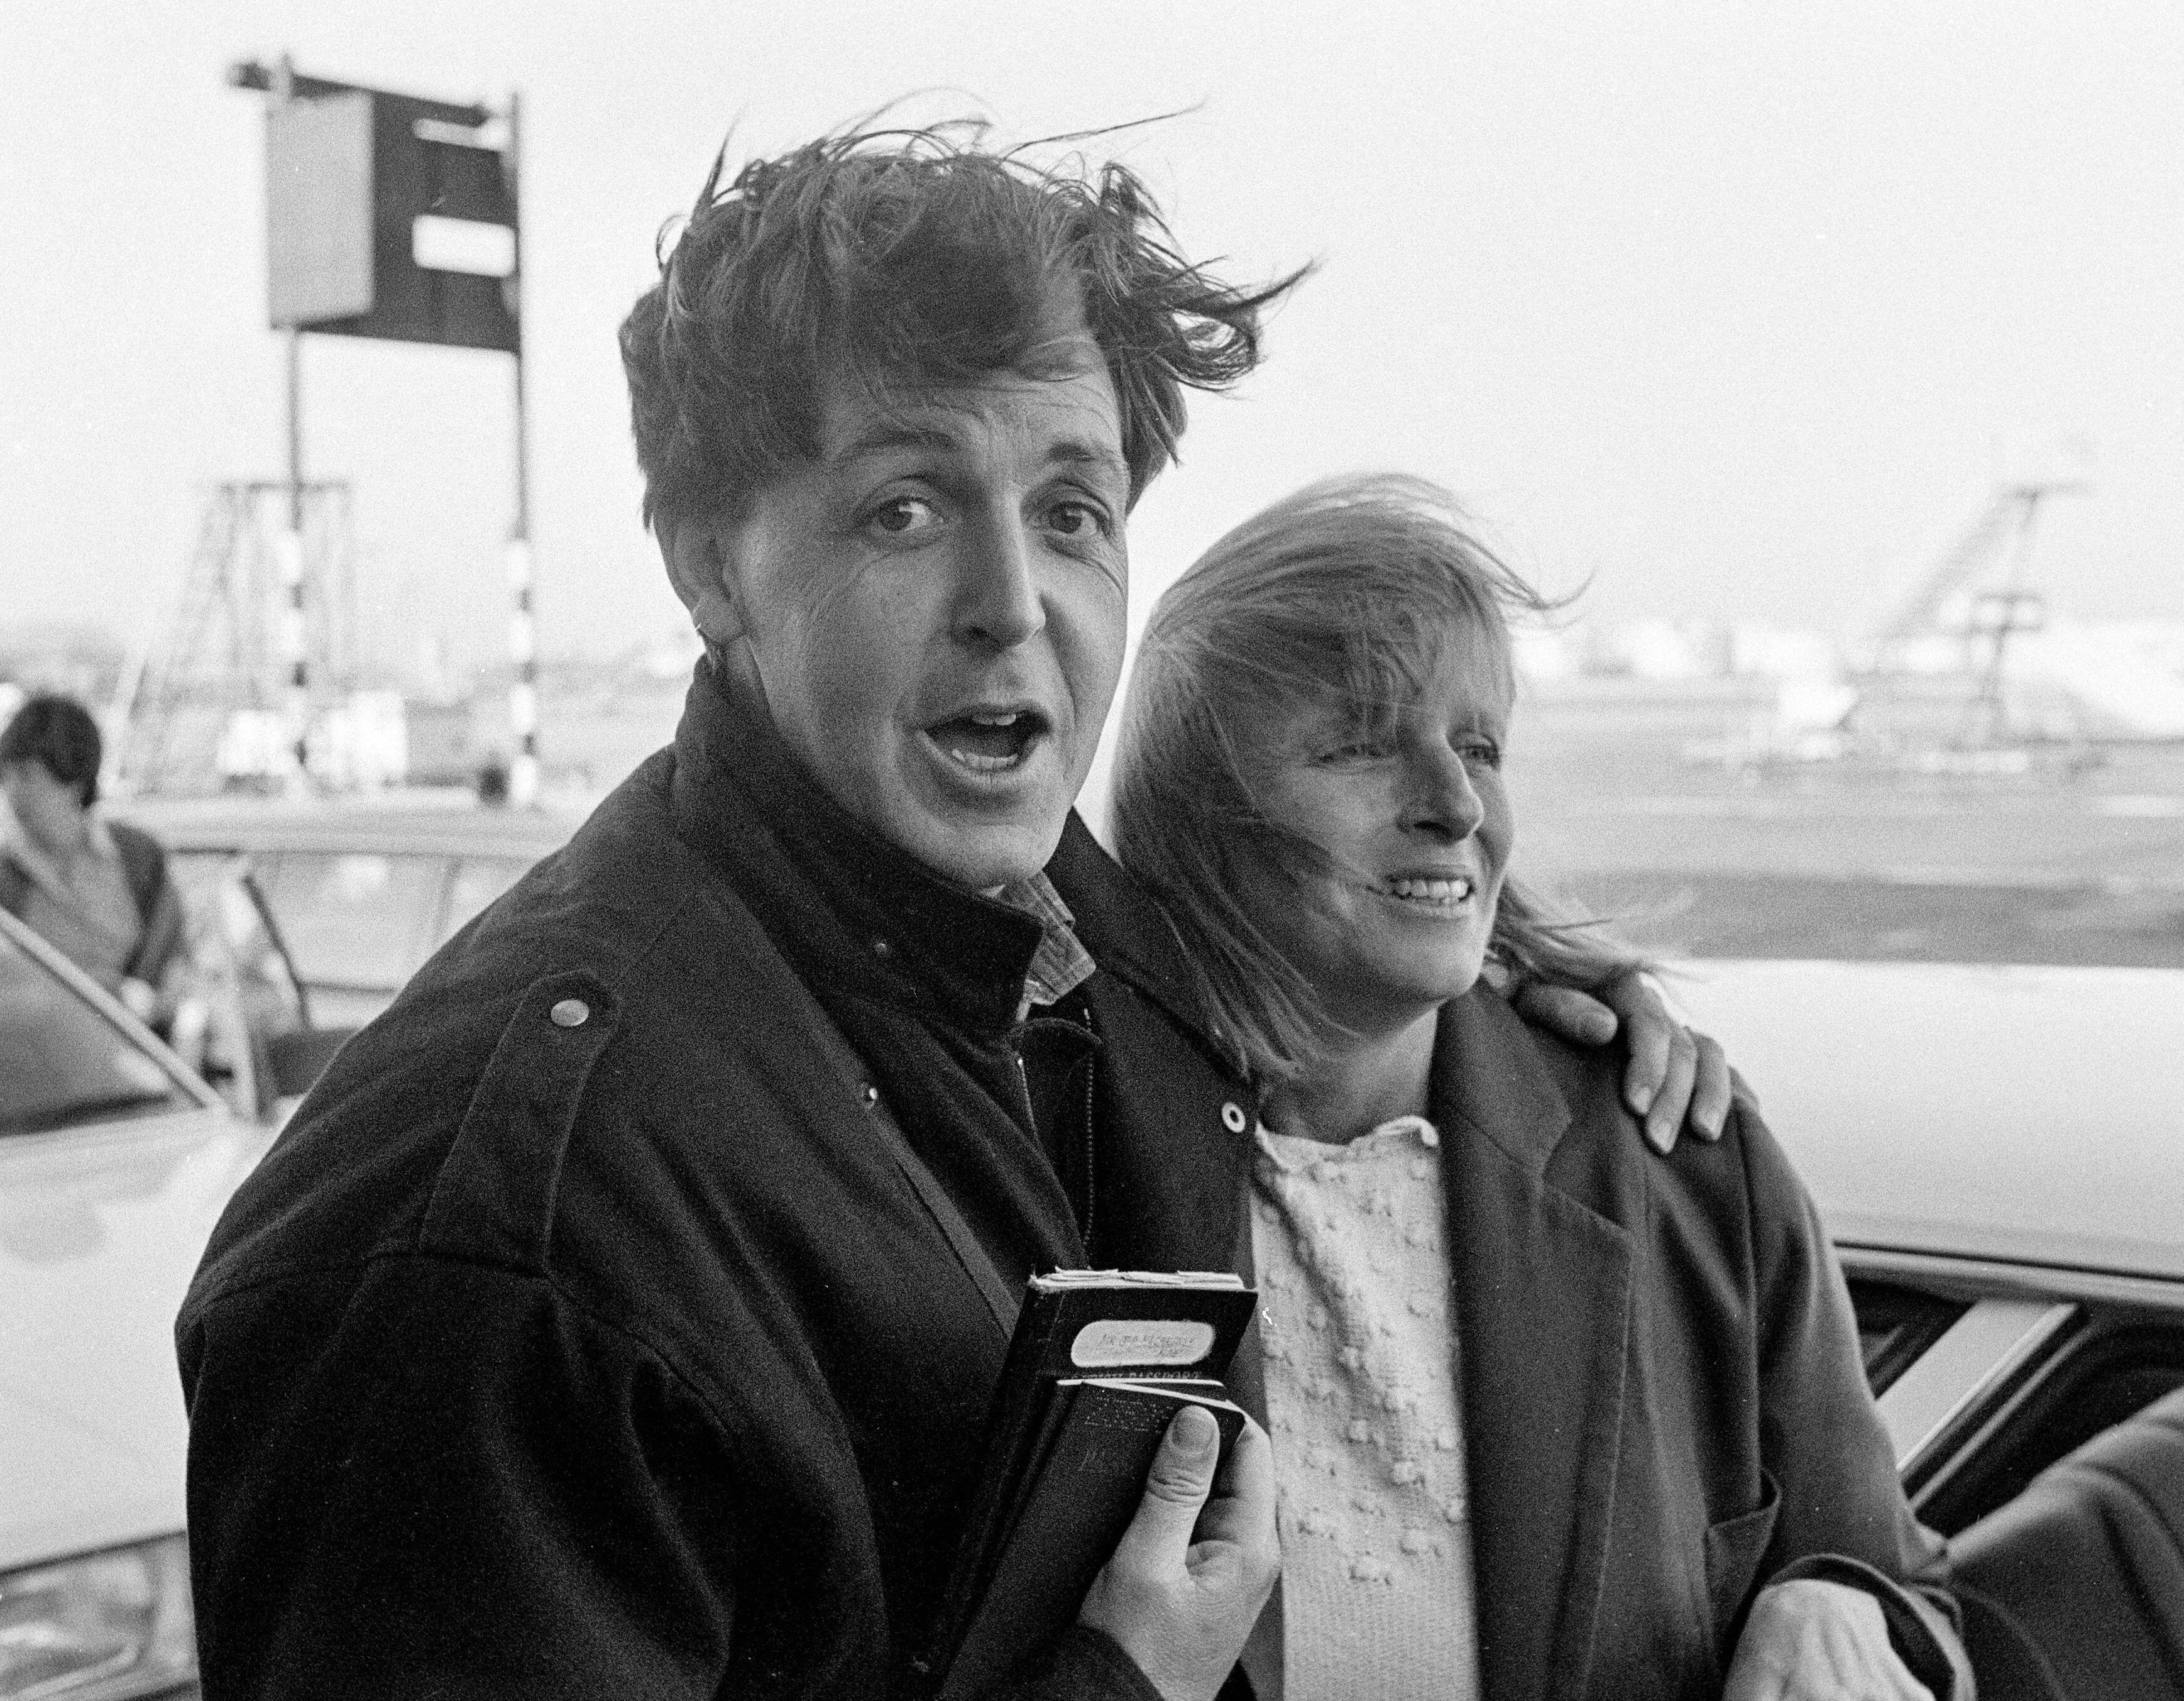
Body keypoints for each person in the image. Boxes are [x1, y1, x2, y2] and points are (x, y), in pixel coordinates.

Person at [177, 126, 1729, 1700]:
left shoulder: (1054, 974)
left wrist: (1532, 1005)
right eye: (905, 510)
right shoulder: (504, 1227)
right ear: (710, 566)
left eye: (1071, 512)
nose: (1012, 602)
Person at [1108, 475, 1973, 1700]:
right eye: (1364, 743)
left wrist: (1836, 1604)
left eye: (1479, 747)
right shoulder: (1050, 1158)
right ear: (1187, 813)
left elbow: (1910, 1595)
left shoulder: (1683, 1158)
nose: (1457, 803)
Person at [1, 691, 187, 1023]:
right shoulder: (7, 869)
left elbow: (176, 965)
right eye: (6, 775)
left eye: (27, 775)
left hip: (129, 1043)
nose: (14, 791)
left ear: (73, 780)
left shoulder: (138, 858)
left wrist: (145, 1001)